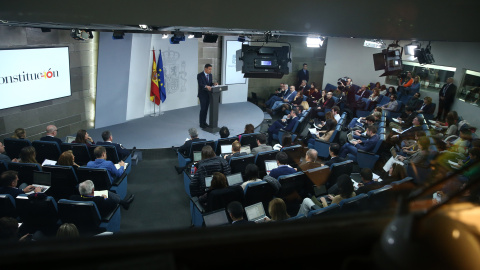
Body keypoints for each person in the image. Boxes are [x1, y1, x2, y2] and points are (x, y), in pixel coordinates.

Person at [70, 180, 134, 217]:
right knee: (109, 194)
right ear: (93, 190)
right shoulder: (98, 200)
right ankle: (124, 203)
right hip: (97, 218)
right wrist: (105, 198)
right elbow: (114, 204)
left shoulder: (73, 198)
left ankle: (124, 203)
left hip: (81, 218)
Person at [197, 63, 217, 129]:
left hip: (208, 95)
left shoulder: (210, 75)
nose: (210, 70)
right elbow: (201, 84)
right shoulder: (200, 75)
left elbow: (210, 83)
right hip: (202, 95)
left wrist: (214, 84)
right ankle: (201, 123)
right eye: (209, 69)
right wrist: (206, 86)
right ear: (205, 69)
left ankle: (204, 122)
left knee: (206, 109)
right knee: (203, 109)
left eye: (211, 69)